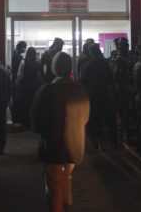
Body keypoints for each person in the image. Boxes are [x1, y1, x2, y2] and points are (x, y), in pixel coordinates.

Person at [31, 52, 90, 212]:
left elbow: (37, 123)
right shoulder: (80, 90)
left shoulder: (47, 91)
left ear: (53, 68)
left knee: (54, 185)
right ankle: (67, 205)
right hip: (75, 144)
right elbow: (85, 118)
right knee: (66, 179)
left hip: (53, 145)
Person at [80, 43, 117, 150]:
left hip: (93, 95)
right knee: (109, 120)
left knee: (95, 120)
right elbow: (111, 79)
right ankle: (112, 142)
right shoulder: (105, 64)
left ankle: (96, 143)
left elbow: (83, 81)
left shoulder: (88, 65)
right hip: (105, 94)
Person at [110, 37, 134, 146]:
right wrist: (127, 87)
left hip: (127, 90)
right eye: (124, 46)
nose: (126, 48)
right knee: (120, 115)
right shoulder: (118, 59)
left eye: (126, 46)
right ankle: (120, 138)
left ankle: (126, 137)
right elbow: (117, 76)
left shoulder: (129, 57)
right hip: (121, 91)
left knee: (127, 115)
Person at [16, 47, 43, 128]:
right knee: (33, 105)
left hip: (25, 87)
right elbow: (39, 76)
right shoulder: (38, 63)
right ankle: (33, 123)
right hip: (35, 87)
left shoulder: (23, 62)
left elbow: (19, 76)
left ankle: (25, 123)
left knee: (25, 105)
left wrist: (17, 85)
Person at [10, 41, 27, 124]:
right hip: (17, 81)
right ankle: (16, 119)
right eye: (24, 48)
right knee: (17, 101)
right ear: (21, 47)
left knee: (16, 100)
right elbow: (18, 72)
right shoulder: (18, 57)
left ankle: (15, 119)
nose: (25, 50)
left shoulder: (15, 55)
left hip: (15, 80)